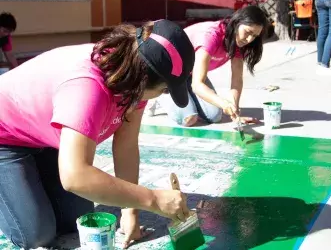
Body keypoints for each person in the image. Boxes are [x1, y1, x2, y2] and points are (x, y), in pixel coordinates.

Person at [0, 19, 195, 249]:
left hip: (42, 138)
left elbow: (127, 145)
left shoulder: (132, 76)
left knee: (74, 218)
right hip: (6, 137)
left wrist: (130, 212)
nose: (161, 95)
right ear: (145, 79)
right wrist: (152, 200)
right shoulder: (87, 86)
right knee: (36, 235)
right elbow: (75, 176)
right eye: (163, 89)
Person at [149, 6, 268, 127]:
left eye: (254, 36)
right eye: (248, 32)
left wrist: (234, 111)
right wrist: (223, 103)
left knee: (215, 116)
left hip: (189, 73)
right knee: (189, 119)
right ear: (237, 22)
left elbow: (237, 80)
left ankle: (184, 97)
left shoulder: (238, 42)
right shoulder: (210, 37)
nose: (249, 39)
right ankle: (158, 94)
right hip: (168, 73)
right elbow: (198, 85)